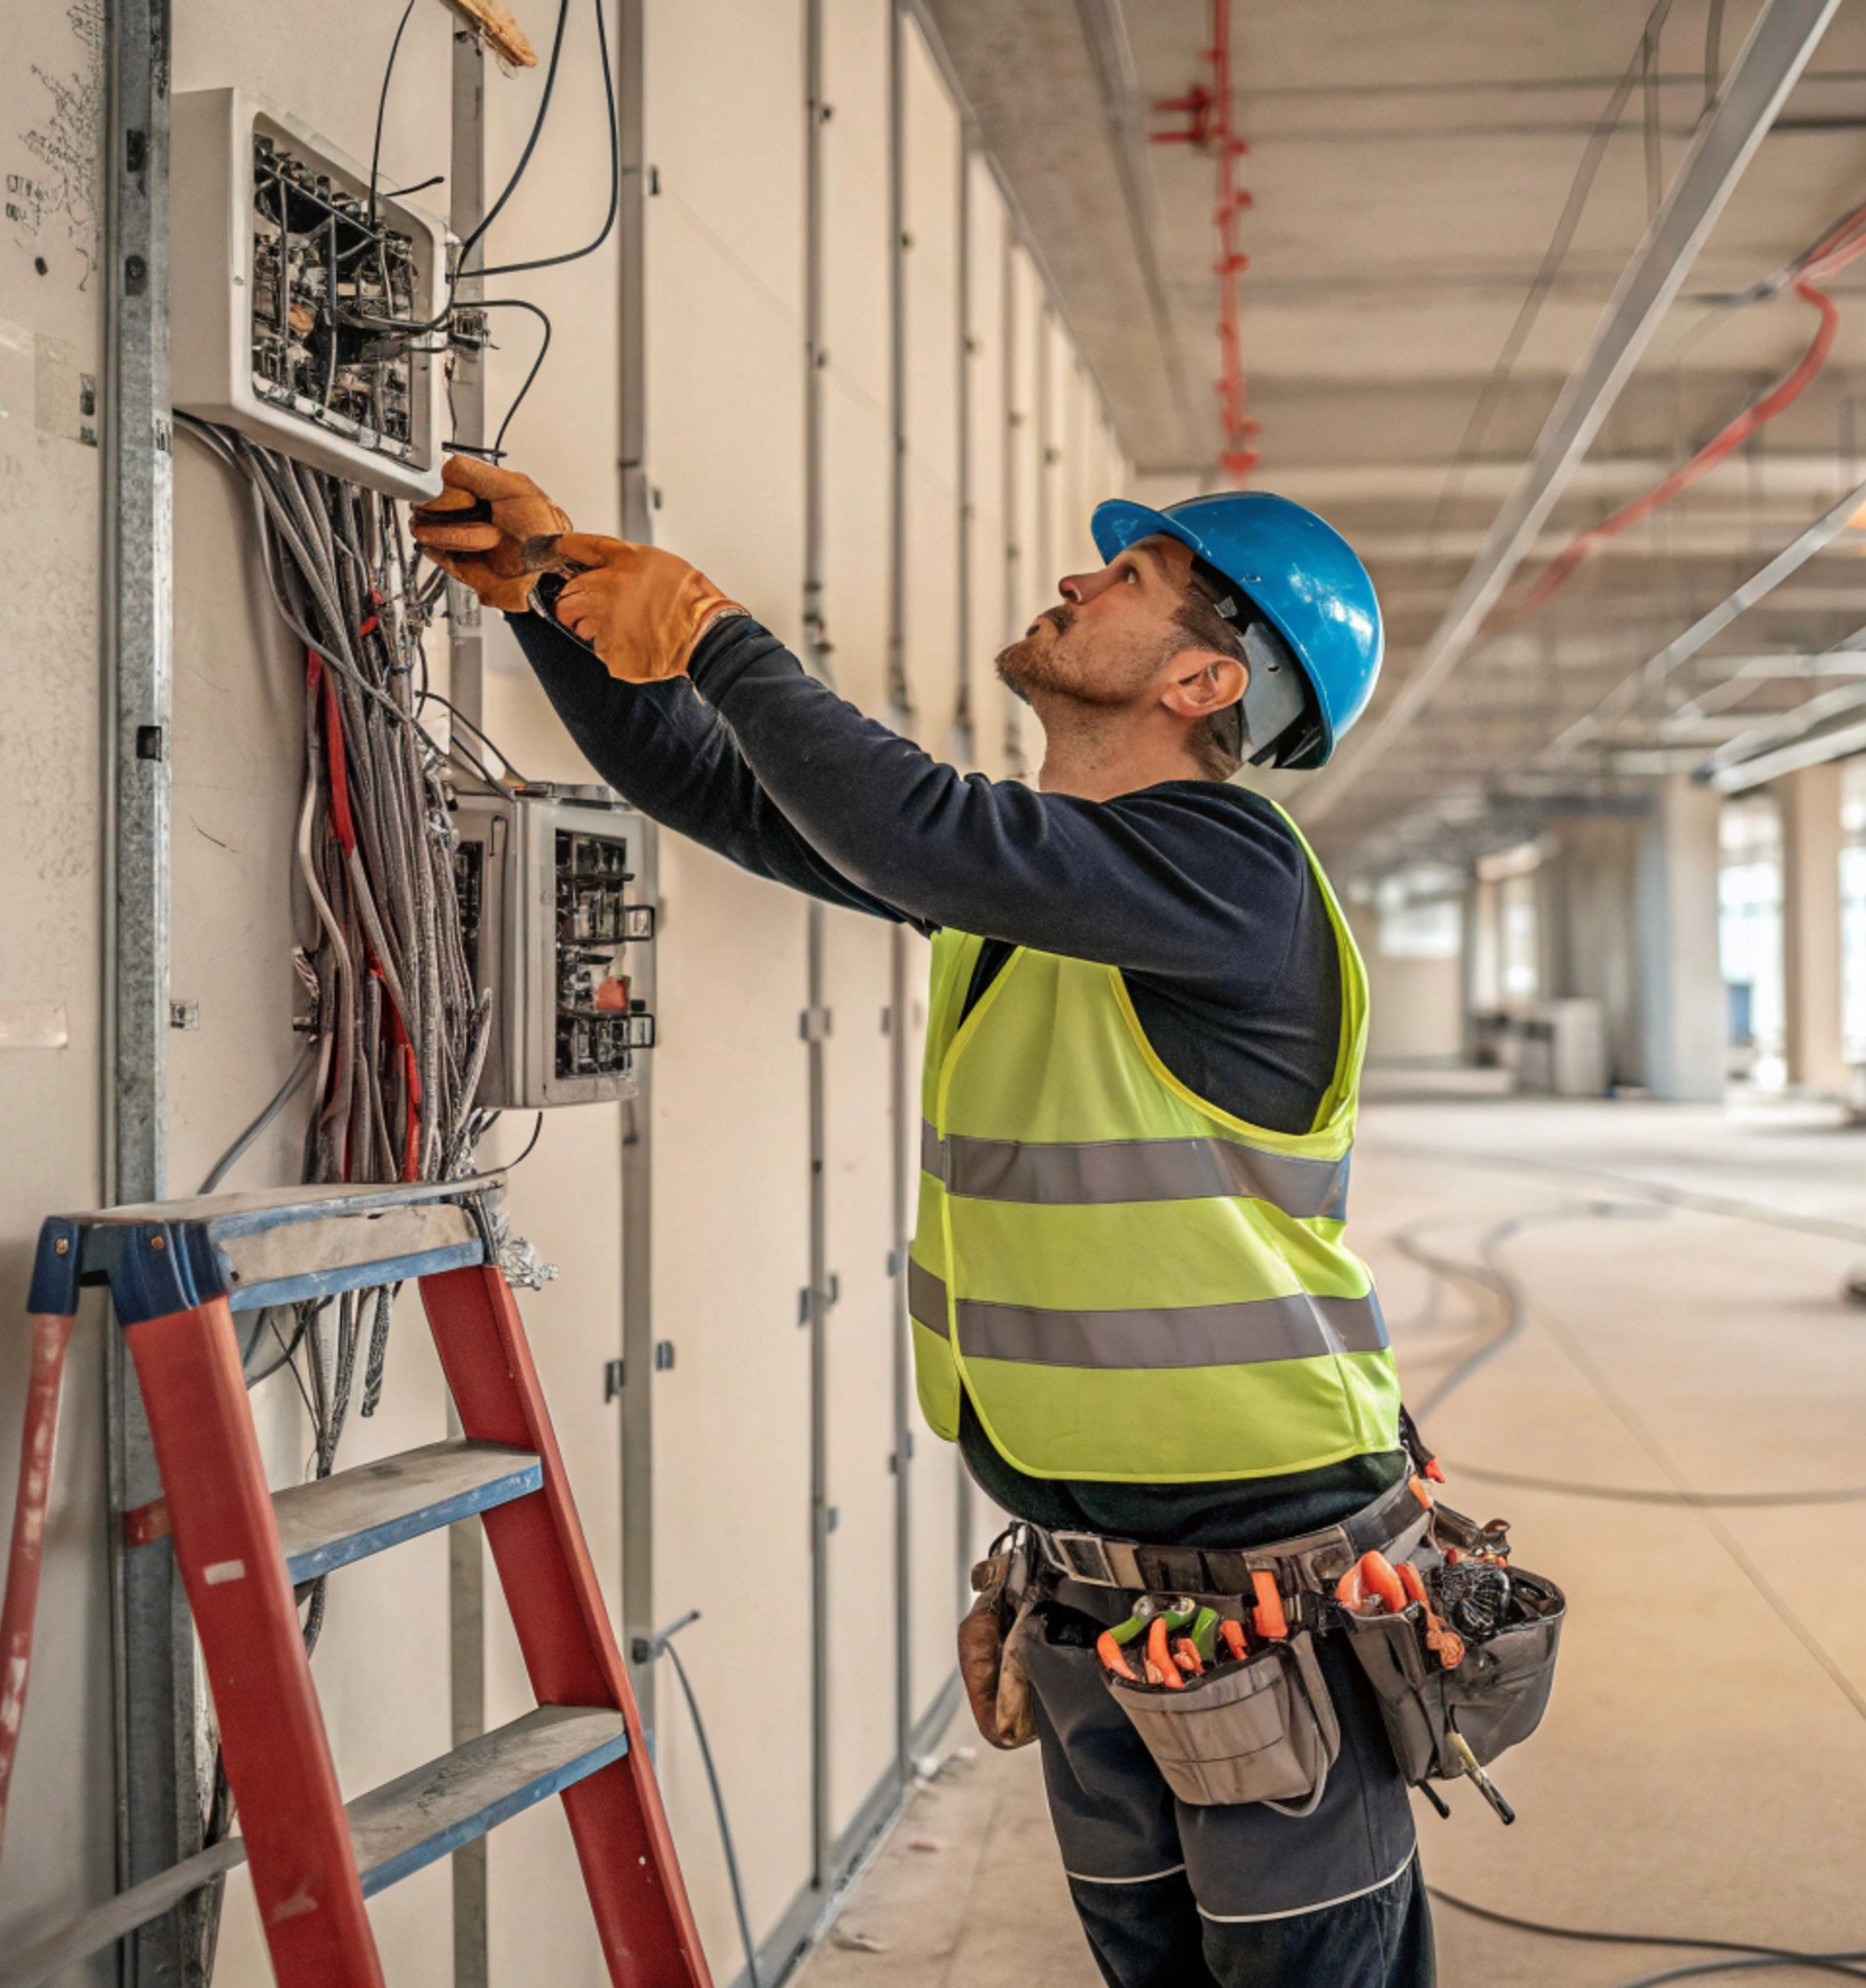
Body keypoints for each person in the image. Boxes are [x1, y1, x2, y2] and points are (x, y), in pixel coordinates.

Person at [415, 456, 1429, 1987]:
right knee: (1151, 1958)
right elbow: (729, 796)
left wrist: (714, 633)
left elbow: (916, 830)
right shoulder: (1045, 895)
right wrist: (548, 593)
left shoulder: (1238, 873)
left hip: (1270, 1566)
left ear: (1204, 680)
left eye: (1130, 579)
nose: (1079, 579)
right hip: (1097, 1580)